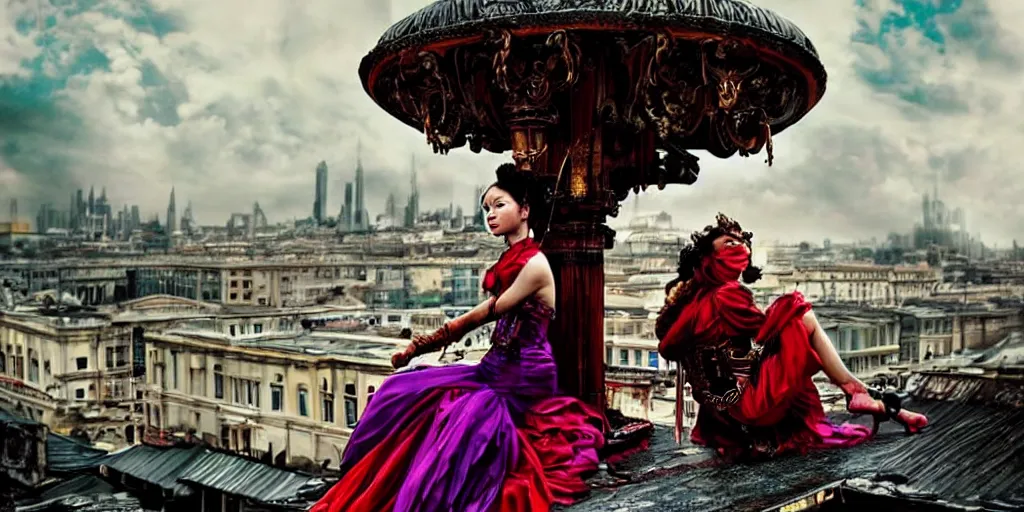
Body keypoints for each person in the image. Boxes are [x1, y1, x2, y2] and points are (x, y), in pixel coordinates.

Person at [311, 164, 604, 512]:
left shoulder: (536, 264)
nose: (490, 215)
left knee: (457, 423)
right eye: (486, 209)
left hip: (521, 377)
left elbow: (483, 314)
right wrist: (422, 348)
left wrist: (422, 344)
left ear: (524, 210)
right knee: (403, 391)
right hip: (493, 367)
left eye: (499, 205)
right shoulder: (513, 258)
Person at [655, 214, 928, 461]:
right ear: (709, 257)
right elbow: (767, 332)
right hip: (746, 403)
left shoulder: (699, 298)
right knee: (800, 316)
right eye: (729, 244)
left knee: (798, 326)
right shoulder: (726, 294)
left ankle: (871, 399)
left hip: (725, 407)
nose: (740, 248)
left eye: (741, 243)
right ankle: (856, 391)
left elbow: (668, 346)